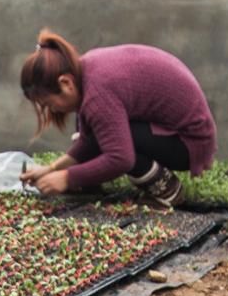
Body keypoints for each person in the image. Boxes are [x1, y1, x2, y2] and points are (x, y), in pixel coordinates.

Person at [16, 29, 217, 209]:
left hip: (189, 142)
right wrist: (51, 169)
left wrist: (67, 178)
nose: (53, 110)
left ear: (66, 83)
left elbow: (120, 159)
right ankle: (88, 183)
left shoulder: (97, 94)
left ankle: (168, 191)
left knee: (117, 142)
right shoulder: (86, 71)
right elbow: (88, 141)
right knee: (101, 131)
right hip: (168, 130)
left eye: (49, 103)